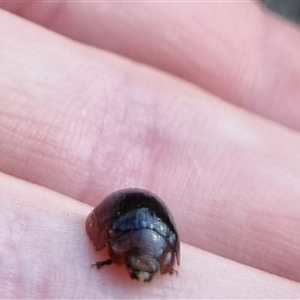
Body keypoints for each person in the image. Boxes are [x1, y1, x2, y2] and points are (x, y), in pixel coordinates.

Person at [0, 1, 300, 298]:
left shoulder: (145, 243)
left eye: (140, 265)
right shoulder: (135, 241)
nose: (142, 274)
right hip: (125, 215)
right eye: (143, 265)